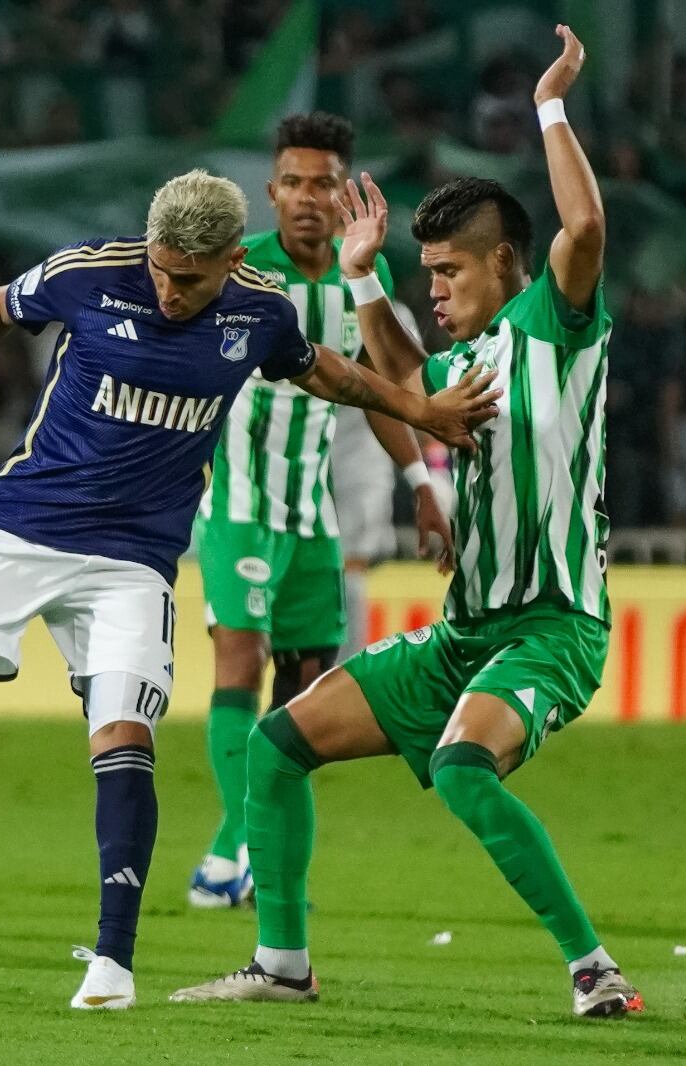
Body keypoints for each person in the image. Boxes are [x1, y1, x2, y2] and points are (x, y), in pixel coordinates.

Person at [0, 168, 498, 1009]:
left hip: (133, 563)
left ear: (224, 265)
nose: (172, 290)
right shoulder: (89, 276)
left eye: (191, 279)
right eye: (163, 270)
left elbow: (325, 370)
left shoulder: (258, 312)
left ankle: (112, 962)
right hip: (20, 525)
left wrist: (420, 413)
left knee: (122, 735)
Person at [170, 27, 645, 1019]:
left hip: (553, 625)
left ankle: (594, 969)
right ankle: (282, 964)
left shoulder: (556, 328)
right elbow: (393, 379)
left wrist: (549, 106)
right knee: (276, 742)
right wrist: (361, 275)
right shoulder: (461, 367)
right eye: (423, 271)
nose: (432, 290)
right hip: (467, 634)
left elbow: (587, 230)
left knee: (463, 767)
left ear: (503, 263)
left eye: (445, 273)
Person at [188, 112, 453, 909]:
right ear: (271, 194)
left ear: (346, 193)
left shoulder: (353, 284)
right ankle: (233, 843)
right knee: (238, 659)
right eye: (294, 183)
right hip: (238, 502)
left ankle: (255, 847)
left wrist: (420, 486)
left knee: (304, 687)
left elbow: (374, 390)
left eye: (324, 183)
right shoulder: (235, 274)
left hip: (314, 515)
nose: (308, 198)